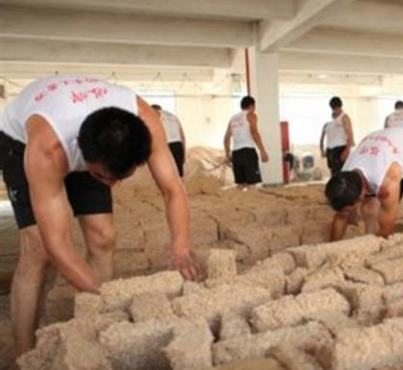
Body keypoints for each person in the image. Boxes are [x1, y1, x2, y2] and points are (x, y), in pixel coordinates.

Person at [0, 75, 201, 356]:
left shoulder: (145, 121)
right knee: (38, 249)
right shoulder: (47, 149)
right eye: (101, 177)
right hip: (20, 139)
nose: (111, 186)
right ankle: (26, 354)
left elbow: (173, 190)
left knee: (103, 237)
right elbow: (59, 245)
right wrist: (112, 297)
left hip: (91, 136)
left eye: (121, 178)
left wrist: (180, 247)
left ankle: (92, 328)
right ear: (84, 156)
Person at [224, 96, 269, 189]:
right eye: (254, 107)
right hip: (248, 152)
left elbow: (226, 137)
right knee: (251, 184)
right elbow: (254, 133)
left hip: (236, 154)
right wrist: (262, 151)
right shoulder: (251, 115)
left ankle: (239, 203)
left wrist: (227, 154)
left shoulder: (233, 118)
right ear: (251, 106)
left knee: (240, 184)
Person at [319, 96, 354, 176]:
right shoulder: (330, 123)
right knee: (333, 172)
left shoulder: (344, 117)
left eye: (336, 108)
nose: (334, 110)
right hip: (331, 150)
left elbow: (350, 135)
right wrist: (322, 150)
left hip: (340, 149)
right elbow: (322, 139)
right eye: (333, 109)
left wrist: (346, 150)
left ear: (340, 107)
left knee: (341, 173)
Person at [152, 104, 186, 177]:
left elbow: (155, 133)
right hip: (178, 145)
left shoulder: (156, 113)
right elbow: (182, 136)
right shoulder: (173, 116)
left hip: (168, 145)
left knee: (166, 173)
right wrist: (183, 153)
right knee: (179, 174)